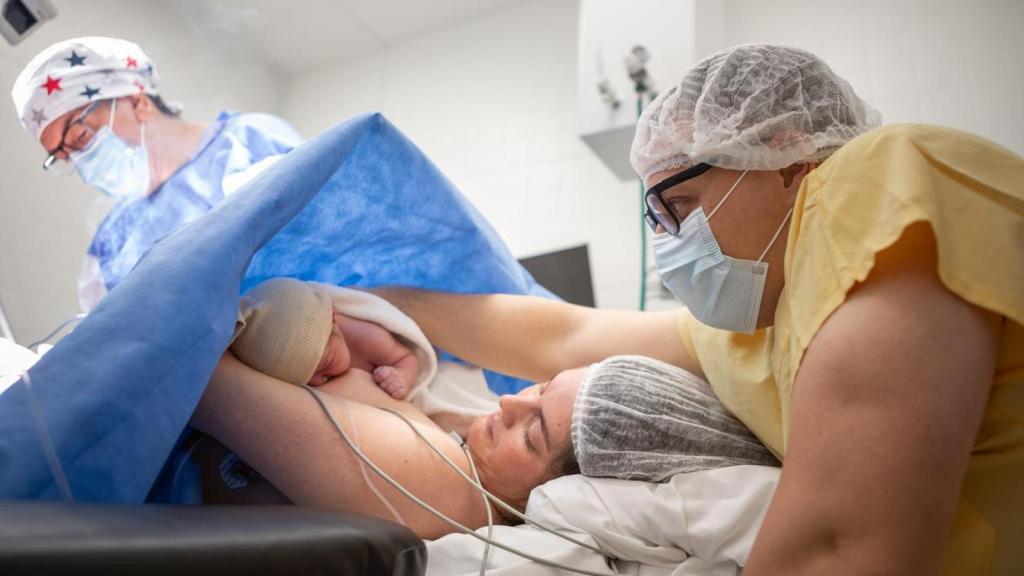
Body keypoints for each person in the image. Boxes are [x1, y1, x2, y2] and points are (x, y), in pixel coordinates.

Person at [372, 44, 1024, 574]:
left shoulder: (878, 182)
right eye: (654, 218)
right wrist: (377, 300)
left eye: (678, 207)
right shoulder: (754, 325)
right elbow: (567, 336)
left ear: (788, 155)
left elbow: (836, 547)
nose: (669, 240)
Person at [190, 353, 776, 540]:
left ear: (568, 490)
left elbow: (197, 377)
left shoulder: (456, 489)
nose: (508, 404)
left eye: (533, 432)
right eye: (538, 388)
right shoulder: (458, 439)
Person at [11, 37, 303, 310]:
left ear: (137, 102)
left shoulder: (251, 142)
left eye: (79, 137)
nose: (82, 160)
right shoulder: (113, 240)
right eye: (64, 156)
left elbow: (323, 247)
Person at [230, 278, 420, 398]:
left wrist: (401, 377)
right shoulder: (318, 361)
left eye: (325, 365)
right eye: (304, 381)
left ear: (333, 319)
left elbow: (408, 358)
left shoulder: (371, 338)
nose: (317, 383)